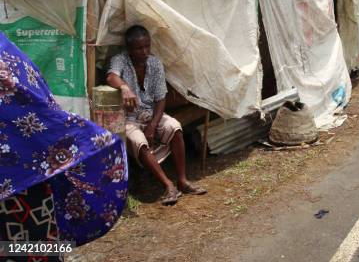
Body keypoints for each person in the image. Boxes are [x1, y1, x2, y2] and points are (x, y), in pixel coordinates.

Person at [1, 31, 127, 260]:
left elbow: (37, 107)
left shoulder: (6, 54)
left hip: (26, 182)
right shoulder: (7, 52)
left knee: (28, 244)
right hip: (28, 178)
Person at [106, 25, 206, 205]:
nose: (144, 51)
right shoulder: (120, 60)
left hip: (151, 113)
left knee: (174, 127)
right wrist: (124, 88)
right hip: (129, 118)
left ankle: (182, 180)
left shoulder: (155, 63)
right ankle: (168, 185)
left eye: (147, 46)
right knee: (138, 141)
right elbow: (111, 76)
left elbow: (161, 99)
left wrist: (153, 125)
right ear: (129, 49)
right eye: (139, 48)